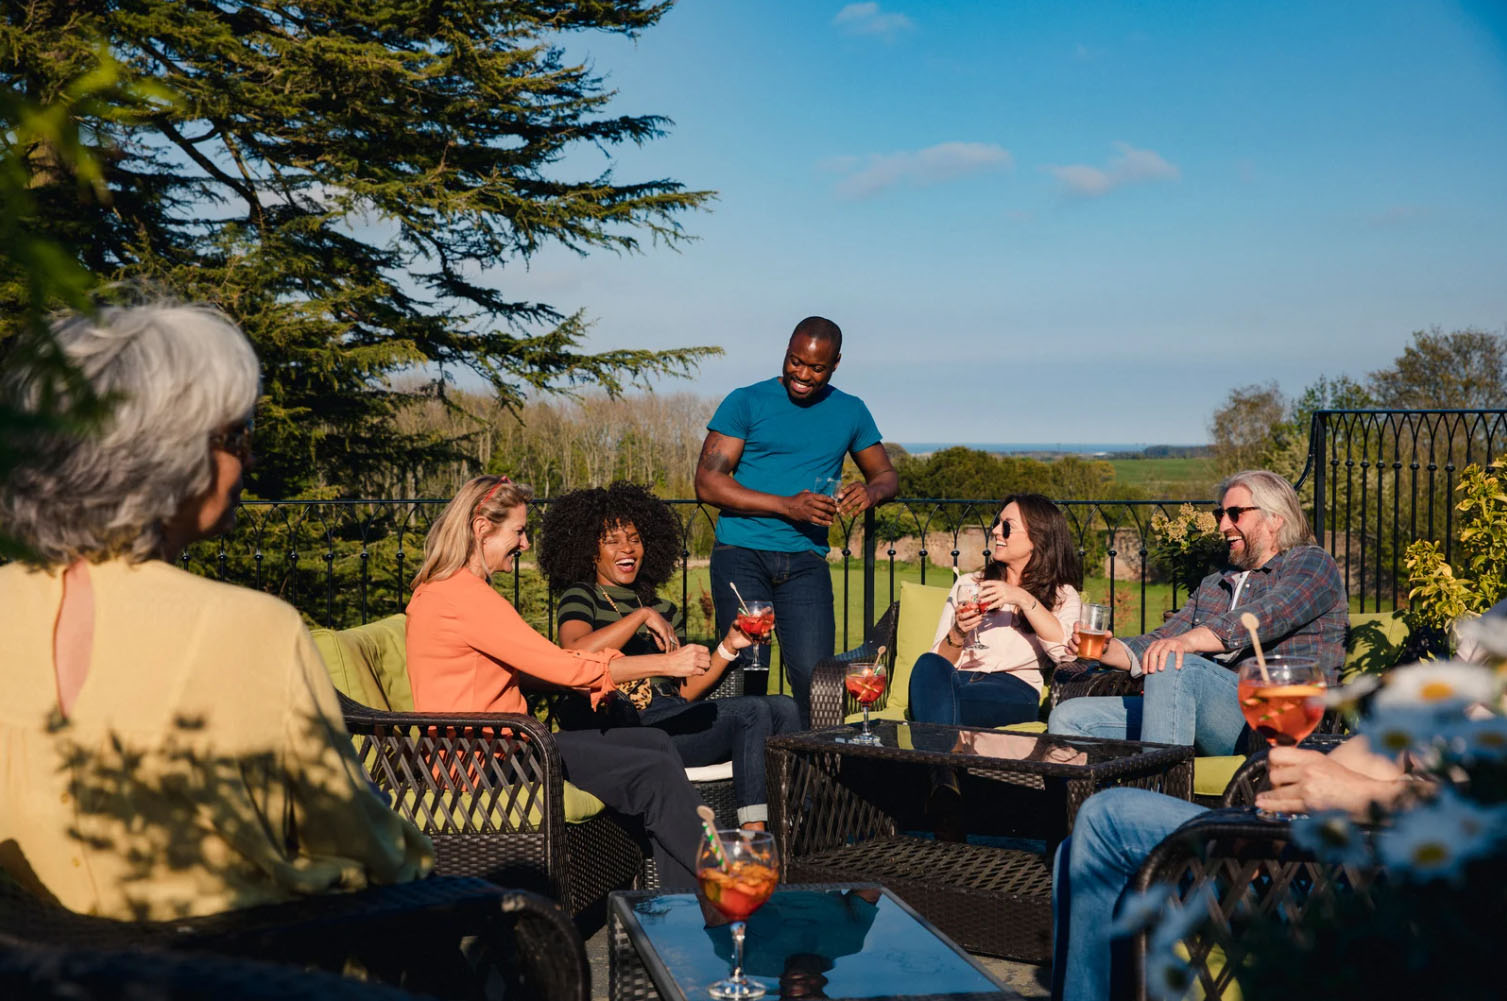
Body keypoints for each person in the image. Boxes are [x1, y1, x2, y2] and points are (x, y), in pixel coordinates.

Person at [0, 303, 432, 921]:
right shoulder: (253, 629)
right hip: (233, 971)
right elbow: (370, 849)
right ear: (165, 452)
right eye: (235, 436)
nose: (249, 459)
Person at [404, 474, 711, 888]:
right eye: (518, 531)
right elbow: (564, 666)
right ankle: (724, 883)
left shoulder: (449, 591)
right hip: (484, 763)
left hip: (508, 749)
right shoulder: (464, 598)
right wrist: (664, 664)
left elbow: (536, 666)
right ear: (482, 529)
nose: (525, 544)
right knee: (652, 770)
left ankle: (684, 903)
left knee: (654, 743)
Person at [1052, 736, 1417, 1000]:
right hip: (1317, 848)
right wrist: (1289, 809)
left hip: (1373, 885)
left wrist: (1368, 795)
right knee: (1070, 851)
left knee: (1107, 819)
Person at [539, 482, 802, 829]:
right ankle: (754, 840)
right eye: (613, 540)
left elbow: (685, 692)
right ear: (591, 551)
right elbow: (573, 652)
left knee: (784, 705)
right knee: (752, 710)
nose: (626, 548)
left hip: (672, 716)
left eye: (634, 538)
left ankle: (793, 823)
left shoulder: (664, 608)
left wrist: (728, 646)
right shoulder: (583, 596)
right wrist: (641, 617)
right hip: (625, 725)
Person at [1047, 469, 1347, 755]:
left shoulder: (1311, 563)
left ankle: (1157, 793)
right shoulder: (1215, 583)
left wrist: (1188, 643)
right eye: (1221, 514)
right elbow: (1163, 637)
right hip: (1213, 713)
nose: (1223, 526)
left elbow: (1267, 615)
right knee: (1069, 717)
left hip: (1278, 718)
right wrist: (1105, 649)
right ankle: (1110, 803)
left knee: (1175, 663)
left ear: (1275, 518)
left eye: (1234, 514)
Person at [695, 316, 898, 723]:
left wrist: (870, 491)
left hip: (806, 560)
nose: (802, 375)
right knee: (748, 674)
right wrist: (788, 506)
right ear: (786, 351)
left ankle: (806, 781)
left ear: (835, 363)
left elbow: (887, 475)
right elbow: (707, 483)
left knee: (815, 680)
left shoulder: (851, 411)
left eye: (815, 368)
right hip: (742, 552)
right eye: (794, 361)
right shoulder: (746, 401)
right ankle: (741, 776)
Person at [909, 494, 1083, 728]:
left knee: (941, 702)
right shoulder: (969, 584)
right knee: (927, 665)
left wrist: (1022, 598)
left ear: (1036, 538)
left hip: (1014, 689)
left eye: (1007, 526)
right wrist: (958, 633)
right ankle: (946, 757)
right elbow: (941, 664)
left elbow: (1066, 654)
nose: (996, 531)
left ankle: (935, 755)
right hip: (958, 680)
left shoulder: (1062, 595)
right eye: (997, 523)